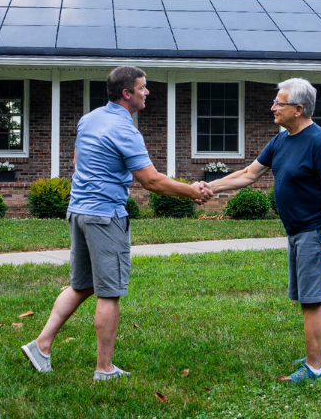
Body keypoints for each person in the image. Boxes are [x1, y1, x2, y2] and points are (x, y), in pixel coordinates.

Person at [21, 66, 213, 381]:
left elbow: (76, 160)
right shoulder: (126, 131)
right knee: (109, 293)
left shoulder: (90, 119)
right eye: (143, 87)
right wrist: (191, 191)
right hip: (105, 217)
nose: (147, 91)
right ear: (127, 93)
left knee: (81, 285)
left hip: (78, 211)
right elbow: (151, 181)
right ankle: (105, 369)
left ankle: (41, 345)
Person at [207, 78, 321, 383]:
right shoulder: (281, 140)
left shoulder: (319, 141)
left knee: (311, 300)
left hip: (315, 230)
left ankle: (314, 370)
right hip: (296, 230)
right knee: (306, 298)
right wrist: (209, 187)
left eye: (278, 103)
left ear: (298, 109)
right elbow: (248, 174)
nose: (273, 107)